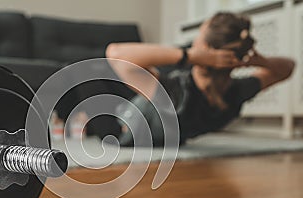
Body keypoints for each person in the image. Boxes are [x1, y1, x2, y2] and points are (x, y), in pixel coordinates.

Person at [105, 12, 295, 146]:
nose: (193, 43)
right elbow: (288, 68)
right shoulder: (235, 93)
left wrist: (189, 55)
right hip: (130, 122)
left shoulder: (177, 93)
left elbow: (114, 52)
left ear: (204, 48)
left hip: (131, 127)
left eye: (198, 37)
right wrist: (261, 62)